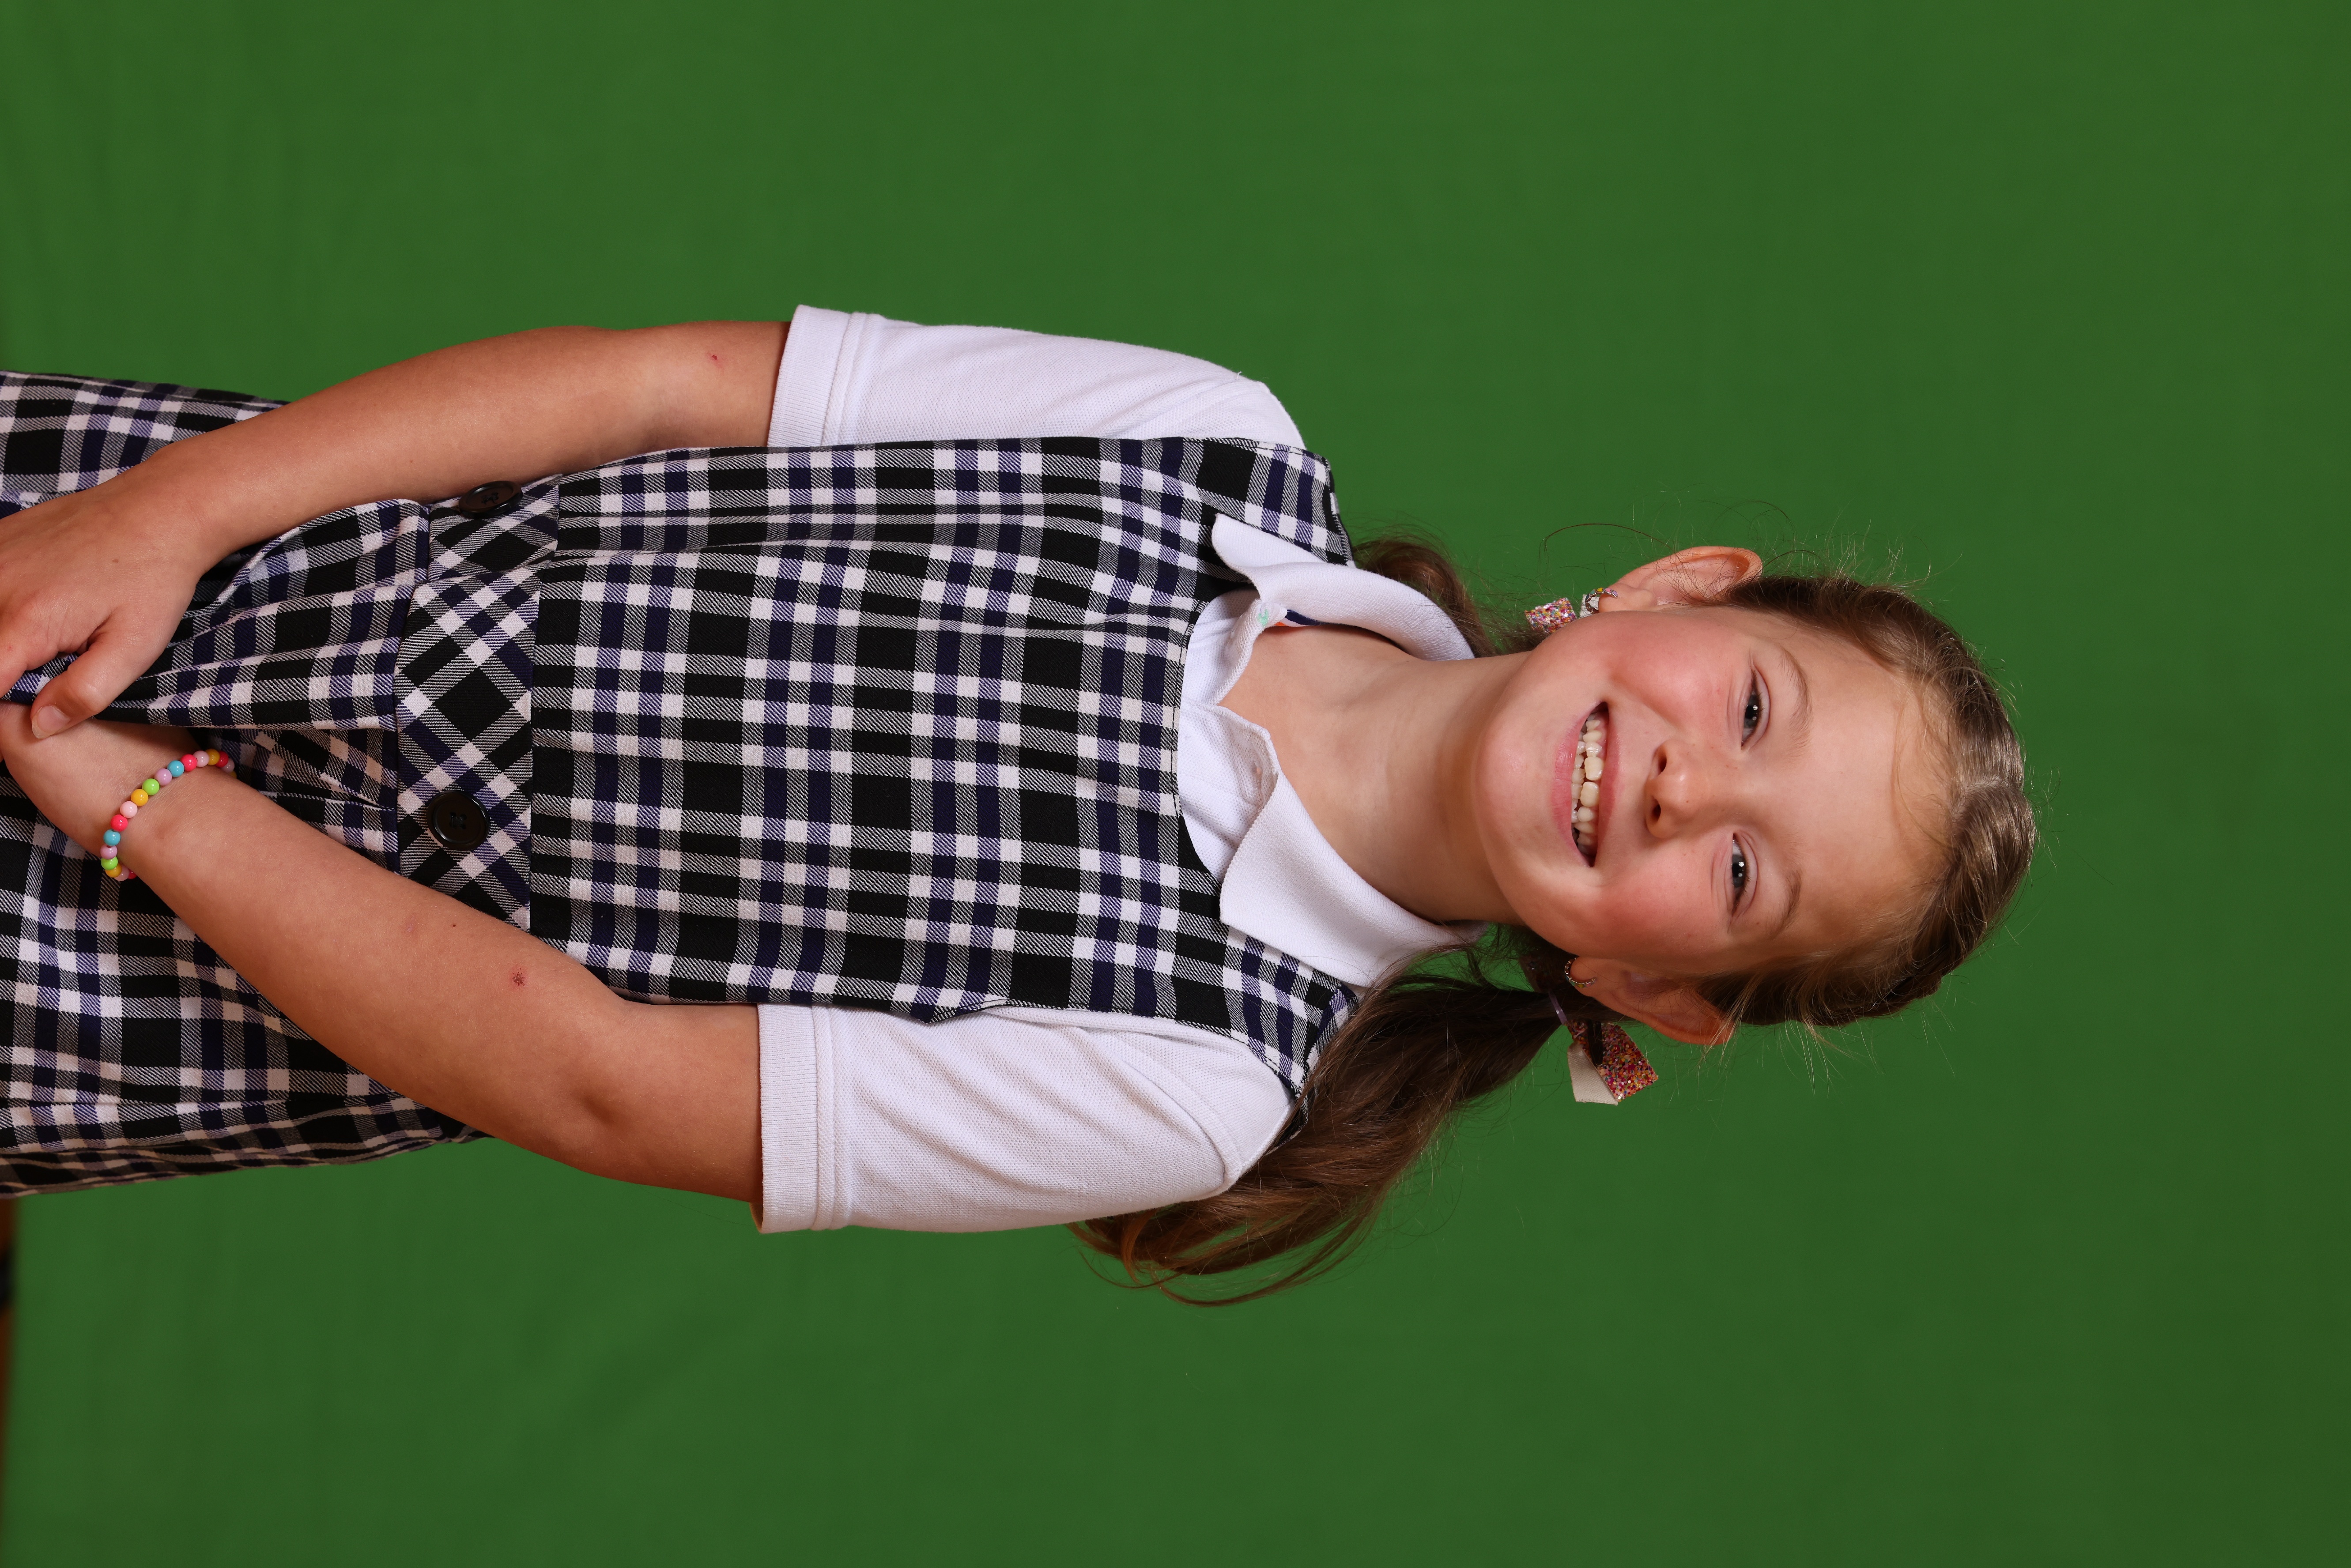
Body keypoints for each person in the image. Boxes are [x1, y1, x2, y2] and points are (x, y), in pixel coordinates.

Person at [0, 308, 2034, 1295]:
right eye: (1749, 706)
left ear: (1654, 997)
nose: (1684, 784)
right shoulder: (1209, 447)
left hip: (165, 943)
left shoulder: (1199, 1081)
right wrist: (167, 512)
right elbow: (656, 387)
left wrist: (144, 804)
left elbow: (600, 1081)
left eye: (1745, 873)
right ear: (1677, 588)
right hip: (217, 537)